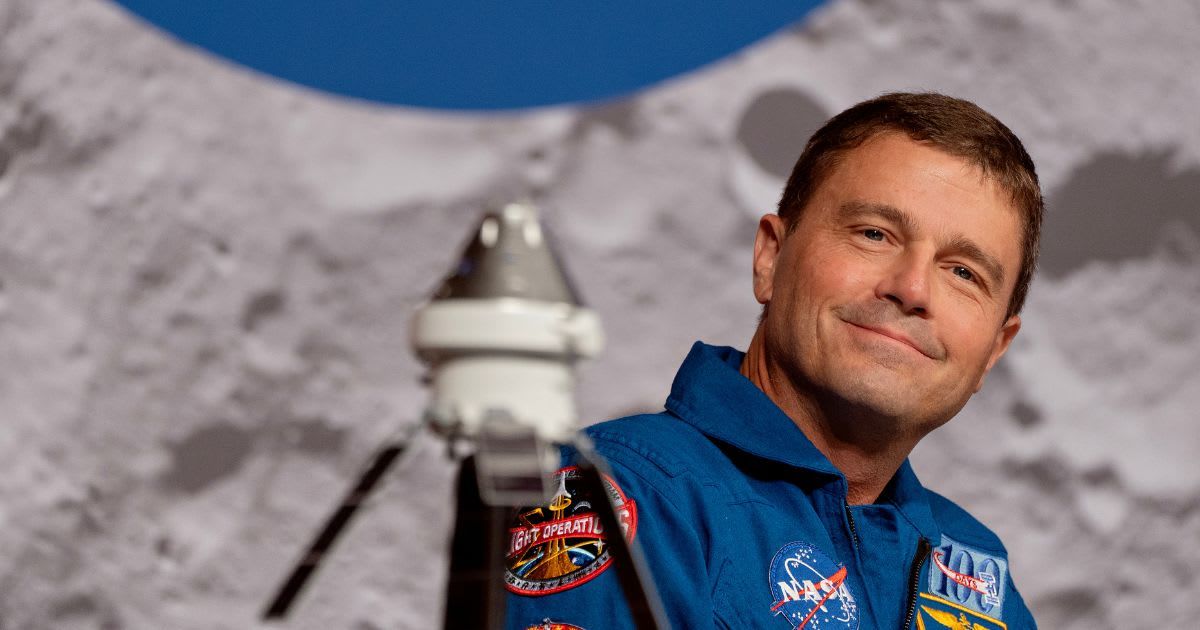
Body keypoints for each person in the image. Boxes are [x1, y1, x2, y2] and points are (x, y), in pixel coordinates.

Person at [504, 92, 1042, 630]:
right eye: (874, 234)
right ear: (770, 258)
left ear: (996, 348)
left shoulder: (976, 575)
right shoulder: (624, 492)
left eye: (964, 273)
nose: (912, 288)